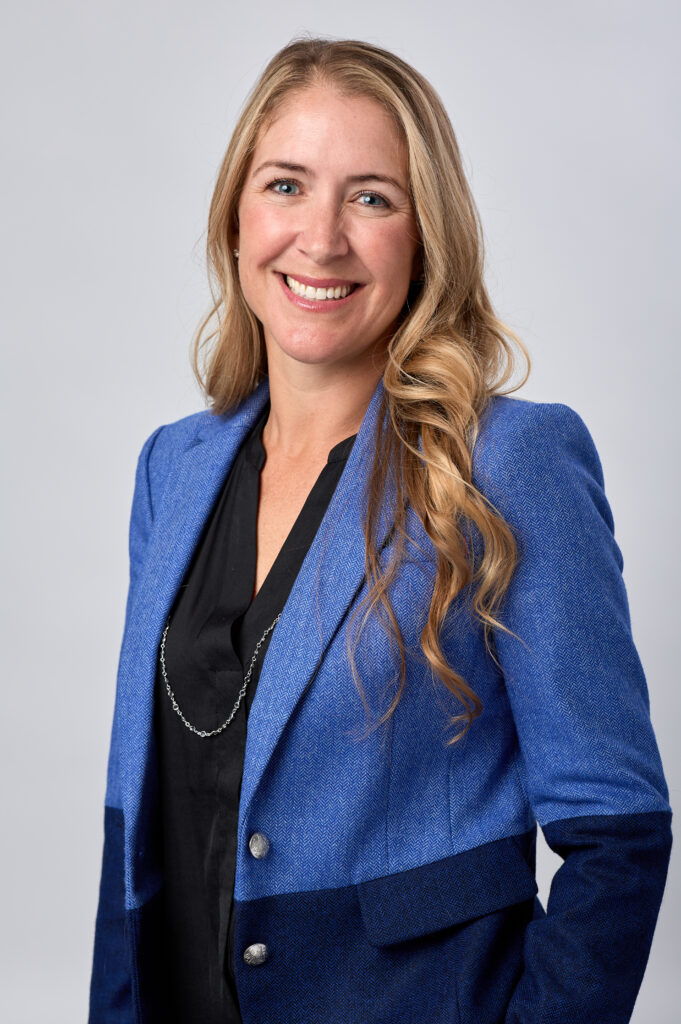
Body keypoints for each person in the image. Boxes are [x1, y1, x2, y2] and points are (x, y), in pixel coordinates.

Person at [88, 37, 672, 1024]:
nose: (320, 238)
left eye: (371, 197)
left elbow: (618, 833)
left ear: (425, 237)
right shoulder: (172, 470)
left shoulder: (509, 461)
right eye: (285, 185)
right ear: (236, 218)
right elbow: (138, 820)